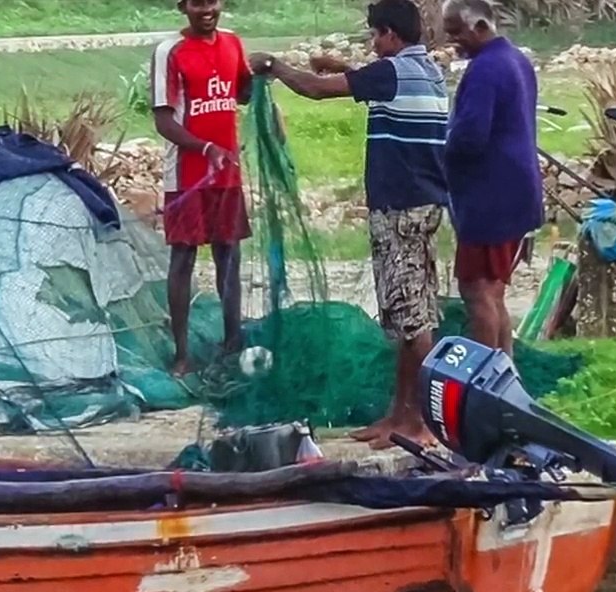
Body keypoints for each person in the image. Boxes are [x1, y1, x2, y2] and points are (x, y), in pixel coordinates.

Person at [249, 0, 449, 449]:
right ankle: (398, 415)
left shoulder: (391, 73)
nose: (373, 43)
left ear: (392, 36)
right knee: (407, 316)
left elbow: (317, 91)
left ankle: (422, 422)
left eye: (375, 35)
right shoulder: (427, 71)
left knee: (415, 323)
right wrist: (344, 67)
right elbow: (374, 80)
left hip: (400, 211)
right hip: (423, 208)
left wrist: (275, 66)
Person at [151, 0, 252, 377]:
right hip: (187, 176)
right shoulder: (170, 51)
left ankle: (232, 343)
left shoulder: (232, 43)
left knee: (230, 257)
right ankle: (182, 355)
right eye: (197, 3)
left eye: (212, 1)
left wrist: (259, 80)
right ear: (183, 7)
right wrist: (206, 148)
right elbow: (164, 120)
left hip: (227, 173)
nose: (206, 10)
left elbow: (240, 90)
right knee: (183, 259)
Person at [442, 0, 543, 357]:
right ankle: (504, 376)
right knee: (494, 290)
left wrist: (442, 152)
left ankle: (483, 383)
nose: (453, 40)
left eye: (457, 31)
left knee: (477, 291)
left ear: (481, 26)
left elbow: (469, 138)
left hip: (490, 199)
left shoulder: (484, 70)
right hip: (518, 195)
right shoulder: (517, 60)